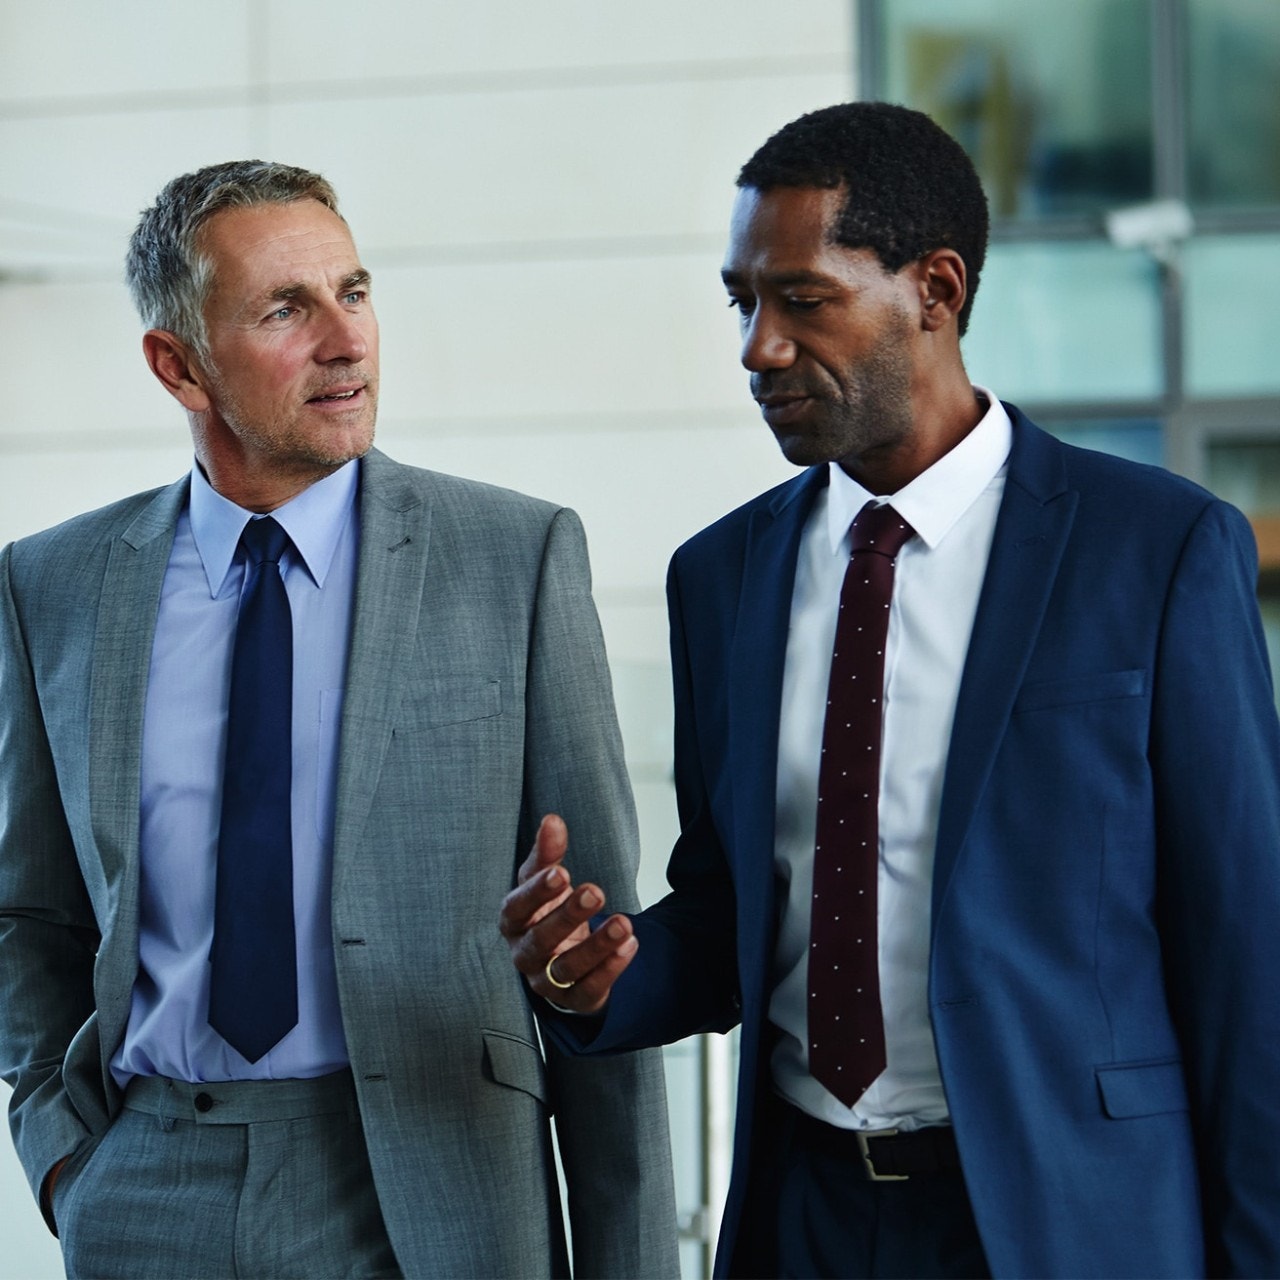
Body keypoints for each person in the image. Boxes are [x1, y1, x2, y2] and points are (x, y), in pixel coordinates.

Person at [501, 102, 1280, 1278]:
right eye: (743, 302)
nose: (758, 346)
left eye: (801, 299)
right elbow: (728, 910)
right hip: (800, 1218)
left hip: (1068, 1220)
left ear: (936, 287)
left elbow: (1243, 958)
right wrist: (602, 973)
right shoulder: (720, 576)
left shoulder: (1157, 550)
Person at [0, 159, 679, 1279]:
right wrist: (64, 1154)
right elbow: (32, 910)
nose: (346, 340)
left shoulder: (513, 558)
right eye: (286, 308)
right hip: (148, 1183)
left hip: (437, 1187)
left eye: (353, 292)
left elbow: (600, 950)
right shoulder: (55, 586)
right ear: (179, 363)